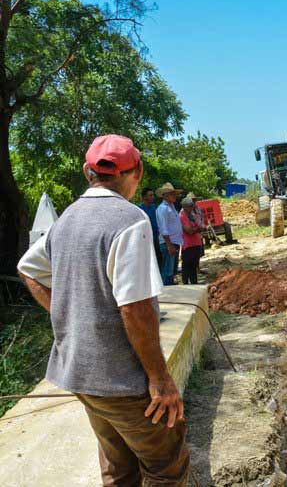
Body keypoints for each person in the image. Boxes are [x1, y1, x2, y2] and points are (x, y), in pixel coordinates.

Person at [17, 134, 190, 486]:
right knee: (166, 468)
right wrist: (160, 379)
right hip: (123, 382)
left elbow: (28, 268)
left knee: (118, 468)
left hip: (80, 376)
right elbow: (135, 308)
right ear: (138, 171)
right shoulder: (130, 220)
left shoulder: (65, 221)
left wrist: (67, 314)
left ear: (87, 172)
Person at [155, 182, 183, 285]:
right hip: (168, 243)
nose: (174, 196)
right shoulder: (163, 208)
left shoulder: (172, 207)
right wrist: (169, 245)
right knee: (167, 271)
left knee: (171, 271)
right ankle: (165, 291)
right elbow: (163, 228)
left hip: (174, 242)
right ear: (165, 195)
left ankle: (169, 289)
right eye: (172, 194)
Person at [179, 197, 204, 285]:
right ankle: (185, 284)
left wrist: (195, 229)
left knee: (193, 266)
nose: (192, 207)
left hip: (196, 243)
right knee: (186, 266)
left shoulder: (193, 216)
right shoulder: (182, 217)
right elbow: (189, 231)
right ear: (184, 207)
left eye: (192, 205)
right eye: (190, 206)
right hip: (188, 244)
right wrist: (197, 228)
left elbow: (202, 227)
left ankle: (194, 283)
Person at [138, 187, 162, 268]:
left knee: (158, 260)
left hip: (156, 237)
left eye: (153, 195)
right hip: (146, 239)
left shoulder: (153, 207)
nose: (153, 197)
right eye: (150, 195)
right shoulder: (140, 209)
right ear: (144, 197)